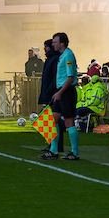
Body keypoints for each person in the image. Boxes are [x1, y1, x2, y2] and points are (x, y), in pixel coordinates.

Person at [40, 32, 80, 161]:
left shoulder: (68, 55)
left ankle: (75, 152)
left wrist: (60, 92)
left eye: (55, 42)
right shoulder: (62, 55)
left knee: (69, 122)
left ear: (62, 43)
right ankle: (53, 150)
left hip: (66, 92)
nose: (52, 44)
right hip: (61, 92)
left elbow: (70, 77)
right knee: (52, 120)